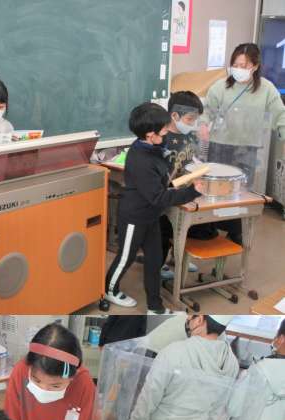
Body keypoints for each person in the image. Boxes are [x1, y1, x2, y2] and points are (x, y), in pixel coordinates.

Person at [105, 102, 202, 313]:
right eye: (164, 129)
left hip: (151, 215)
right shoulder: (142, 160)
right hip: (135, 217)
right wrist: (192, 191)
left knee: (154, 260)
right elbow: (158, 196)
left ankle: (155, 306)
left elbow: (160, 182)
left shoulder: (152, 146)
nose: (167, 131)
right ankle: (109, 290)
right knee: (126, 257)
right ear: (150, 134)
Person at [201, 43, 285, 244]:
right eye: (235, 64)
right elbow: (206, 111)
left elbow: (280, 114)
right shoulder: (220, 86)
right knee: (214, 188)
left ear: (255, 66)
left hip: (247, 148)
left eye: (243, 65)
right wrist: (203, 124)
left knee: (240, 191)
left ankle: (235, 230)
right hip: (219, 146)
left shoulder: (266, 89)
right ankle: (208, 227)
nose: (238, 69)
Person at [128, 315, 238, 420]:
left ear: (199, 320)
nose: (188, 318)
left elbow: (149, 396)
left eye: (191, 316)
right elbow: (219, 406)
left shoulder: (173, 351)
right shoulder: (232, 363)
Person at [5, 323, 95, 420]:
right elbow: (11, 417)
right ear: (30, 367)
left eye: (55, 385)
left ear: (72, 376)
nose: (44, 389)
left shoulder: (83, 384)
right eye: (36, 380)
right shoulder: (20, 371)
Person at [161, 90, 217, 279]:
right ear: (174, 116)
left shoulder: (191, 136)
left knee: (182, 229)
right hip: (166, 195)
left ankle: (176, 258)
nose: (193, 124)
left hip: (186, 192)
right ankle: (159, 264)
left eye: (195, 120)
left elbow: (194, 158)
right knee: (163, 231)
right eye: (190, 119)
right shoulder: (162, 138)